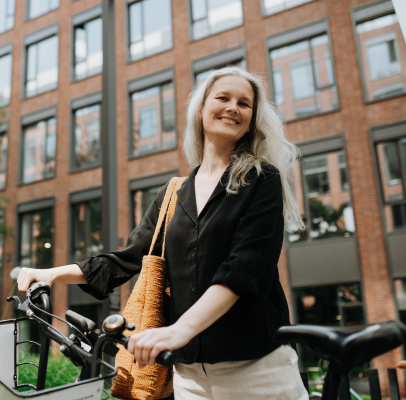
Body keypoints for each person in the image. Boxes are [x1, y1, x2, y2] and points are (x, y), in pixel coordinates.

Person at [17, 67, 308, 399]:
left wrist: (178, 331)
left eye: (244, 103)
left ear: (252, 119)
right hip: (188, 379)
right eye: (223, 97)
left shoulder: (261, 179)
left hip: (256, 370)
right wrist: (51, 274)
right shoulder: (174, 194)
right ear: (201, 110)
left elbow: (244, 269)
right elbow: (125, 260)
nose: (233, 107)